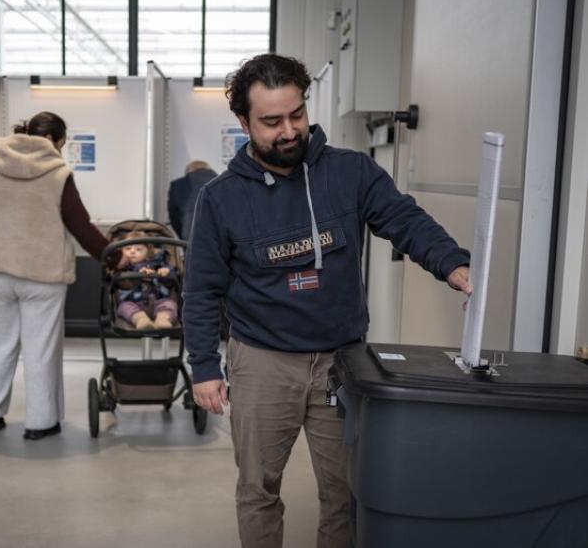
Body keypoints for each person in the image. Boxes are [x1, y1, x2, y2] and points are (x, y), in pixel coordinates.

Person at [183, 54, 472, 548]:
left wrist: (452, 263)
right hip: (261, 363)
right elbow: (201, 289)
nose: (289, 130)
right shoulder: (222, 197)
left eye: (296, 114)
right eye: (271, 121)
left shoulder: (350, 172)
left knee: (345, 491)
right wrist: (205, 365)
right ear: (243, 122)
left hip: (342, 362)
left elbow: (404, 220)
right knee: (258, 488)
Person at [0, 112, 123, 439]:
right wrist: (114, 256)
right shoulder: (57, 174)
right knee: (41, 349)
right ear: (53, 140)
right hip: (42, 275)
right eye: (62, 145)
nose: (61, 152)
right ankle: (41, 423)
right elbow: (80, 226)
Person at [114, 232, 178, 330]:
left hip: (158, 301)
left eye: (138, 249)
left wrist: (165, 273)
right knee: (123, 307)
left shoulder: (159, 264)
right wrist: (137, 277)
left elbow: (170, 284)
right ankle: (140, 320)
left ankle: (163, 319)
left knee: (170, 304)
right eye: (127, 249)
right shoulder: (121, 269)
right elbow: (122, 285)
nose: (132, 251)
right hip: (134, 303)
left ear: (148, 253)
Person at [167, 160, 217, 240]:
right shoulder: (225, 182)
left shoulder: (178, 185)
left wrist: (183, 237)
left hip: (191, 237)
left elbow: (174, 216)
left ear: (188, 172)